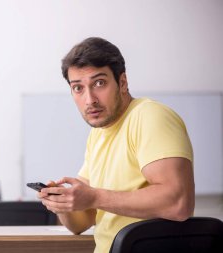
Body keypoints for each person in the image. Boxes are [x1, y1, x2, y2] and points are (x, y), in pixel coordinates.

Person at [37, 37, 195, 253]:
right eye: (78, 88)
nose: (89, 99)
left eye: (99, 83)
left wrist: (94, 196)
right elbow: (80, 222)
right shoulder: (98, 134)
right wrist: (62, 203)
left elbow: (178, 203)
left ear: (122, 82)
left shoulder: (149, 116)